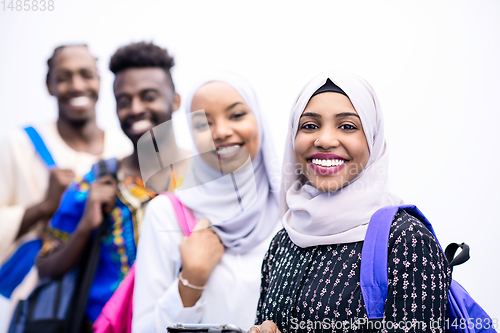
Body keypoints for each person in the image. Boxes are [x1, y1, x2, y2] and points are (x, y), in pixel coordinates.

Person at [251, 71, 451, 333]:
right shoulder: (283, 242)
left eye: (347, 126)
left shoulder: (406, 241)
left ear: (373, 139)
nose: (324, 140)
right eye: (309, 125)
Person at [35, 41, 188, 327]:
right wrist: (85, 228)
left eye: (149, 96)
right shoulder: (94, 182)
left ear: (175, 100)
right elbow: (45, 267)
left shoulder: (206, 177)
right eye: (124, 100)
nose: (136, 109)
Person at [133, 73, 281, 332]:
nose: (221, 132)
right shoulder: (167, 214)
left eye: (236, 115)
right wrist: (191, 280)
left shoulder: (292, 214)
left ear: (259, 119)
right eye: (203, 124)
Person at [0, 44, 132, 307]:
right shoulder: (20, 144)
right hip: (42, 300)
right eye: (63, 77)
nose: (76, 85)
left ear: (99, 81)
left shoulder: (124, 148)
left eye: (86, 74)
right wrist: (45, 207)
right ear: (48, 85)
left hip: (108, 297)